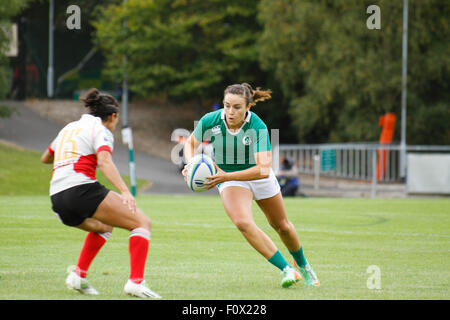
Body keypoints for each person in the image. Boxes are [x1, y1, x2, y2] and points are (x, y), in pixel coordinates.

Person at [182, 83, 319, 288]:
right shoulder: (211, 120)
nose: (230, 111)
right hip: (230, 180)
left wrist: (226, 176)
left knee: (281, 226)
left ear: (248, 107)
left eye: (236, 107)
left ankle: (303, 265)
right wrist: (190, 163)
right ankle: (286, 269)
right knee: (243, 223)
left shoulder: (257, 126)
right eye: (227, 105)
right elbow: (190, 144)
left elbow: (263, 169)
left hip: (257, 176)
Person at [40, 88, 161, 298]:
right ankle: (136, 282)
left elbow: (45, 158)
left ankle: (78, 275)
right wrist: (125, 192)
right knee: (142, 223)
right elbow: (105, 162)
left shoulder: (69, 128)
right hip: (81, 189)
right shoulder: (101, 130)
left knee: (104, 226)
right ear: (112, 116)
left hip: (57, 198)